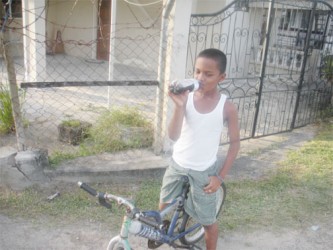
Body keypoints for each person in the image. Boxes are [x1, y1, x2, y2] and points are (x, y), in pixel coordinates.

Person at [159, 48, 240, 250]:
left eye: (208, 74)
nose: (200, 77)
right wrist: (179, 106)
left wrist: (219, 177)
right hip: (178, 165)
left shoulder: (227, 107)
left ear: (222, 77)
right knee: (162, 209)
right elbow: (173, 136)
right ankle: (166, 234)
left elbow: (235, 144)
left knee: (208, 223)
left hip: (204, 171)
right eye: (197, 71)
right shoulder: (187, 99)